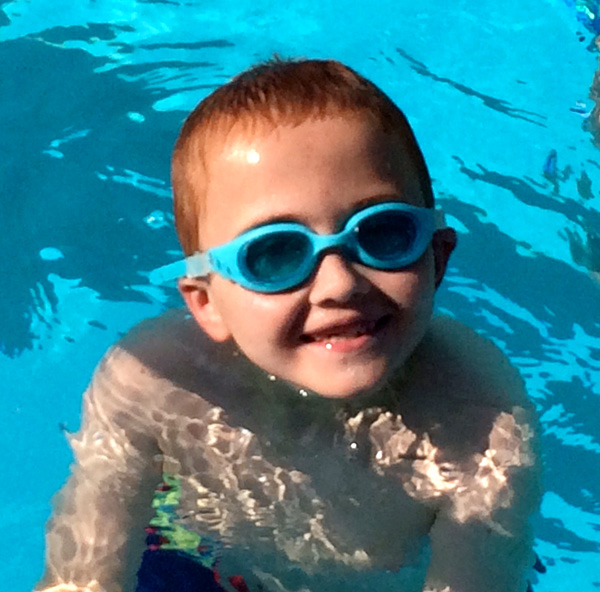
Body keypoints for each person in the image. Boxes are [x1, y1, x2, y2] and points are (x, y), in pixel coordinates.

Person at [35, 58, 542, 592]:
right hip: (198, 564)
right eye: (274, 253)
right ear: (206, 302)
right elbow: (82, 572)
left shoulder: (482, 426)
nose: (340, 285)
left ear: (438, 258)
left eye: (384, 233)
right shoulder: (153, 382)